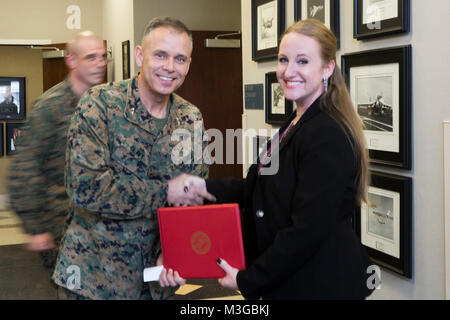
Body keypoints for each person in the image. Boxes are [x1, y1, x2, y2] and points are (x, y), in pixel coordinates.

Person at [160, 19, 375, 300]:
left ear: (327, 68)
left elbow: (306, 231)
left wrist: (249, 279)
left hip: (320, 284)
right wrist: (202, 187)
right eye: (283, 60)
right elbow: (260, 188)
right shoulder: (298, 122)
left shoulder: (327, 133)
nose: (289, 71)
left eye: (302, 61)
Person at [51, 16, 215, 300]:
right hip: (94, 281)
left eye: (180, 59)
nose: (169, 67)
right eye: (160, 55)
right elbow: (85, 188)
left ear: (188, 64)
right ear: (140, 56)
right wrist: (165, 191)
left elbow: (193, 198)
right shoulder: (99, 104)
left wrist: (173, 251)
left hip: (157, 283)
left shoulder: (190, 118)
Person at [8, 31, 107, 278]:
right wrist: (34, 226)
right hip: (61, 224)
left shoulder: (107, 103)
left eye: (104, 57)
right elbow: (25, 167)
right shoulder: (49, 107)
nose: (101, 63)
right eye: (91, 57)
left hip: (101, 224)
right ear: (71, 60)